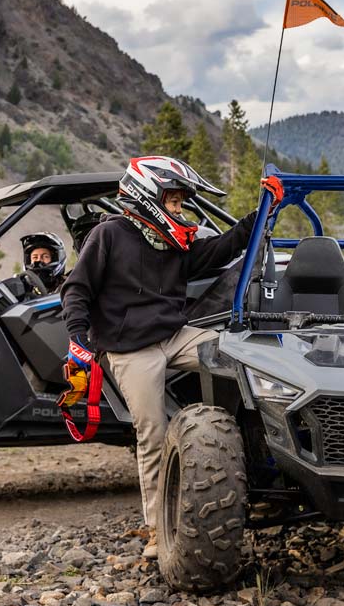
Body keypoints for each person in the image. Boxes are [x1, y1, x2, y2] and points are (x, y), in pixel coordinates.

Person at [60, 155, 283, 560]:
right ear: (149, 195)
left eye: (181, 202)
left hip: (174, 336)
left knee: (244, 358)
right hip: (130, 349)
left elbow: (222, 248)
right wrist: (78, 338)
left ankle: (264, 473)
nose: (180, 209)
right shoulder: (108, 234)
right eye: (175, 201)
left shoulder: (175, 241)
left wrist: (262, 212)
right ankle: (156, 529)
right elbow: (76, 289)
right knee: (152, 433)